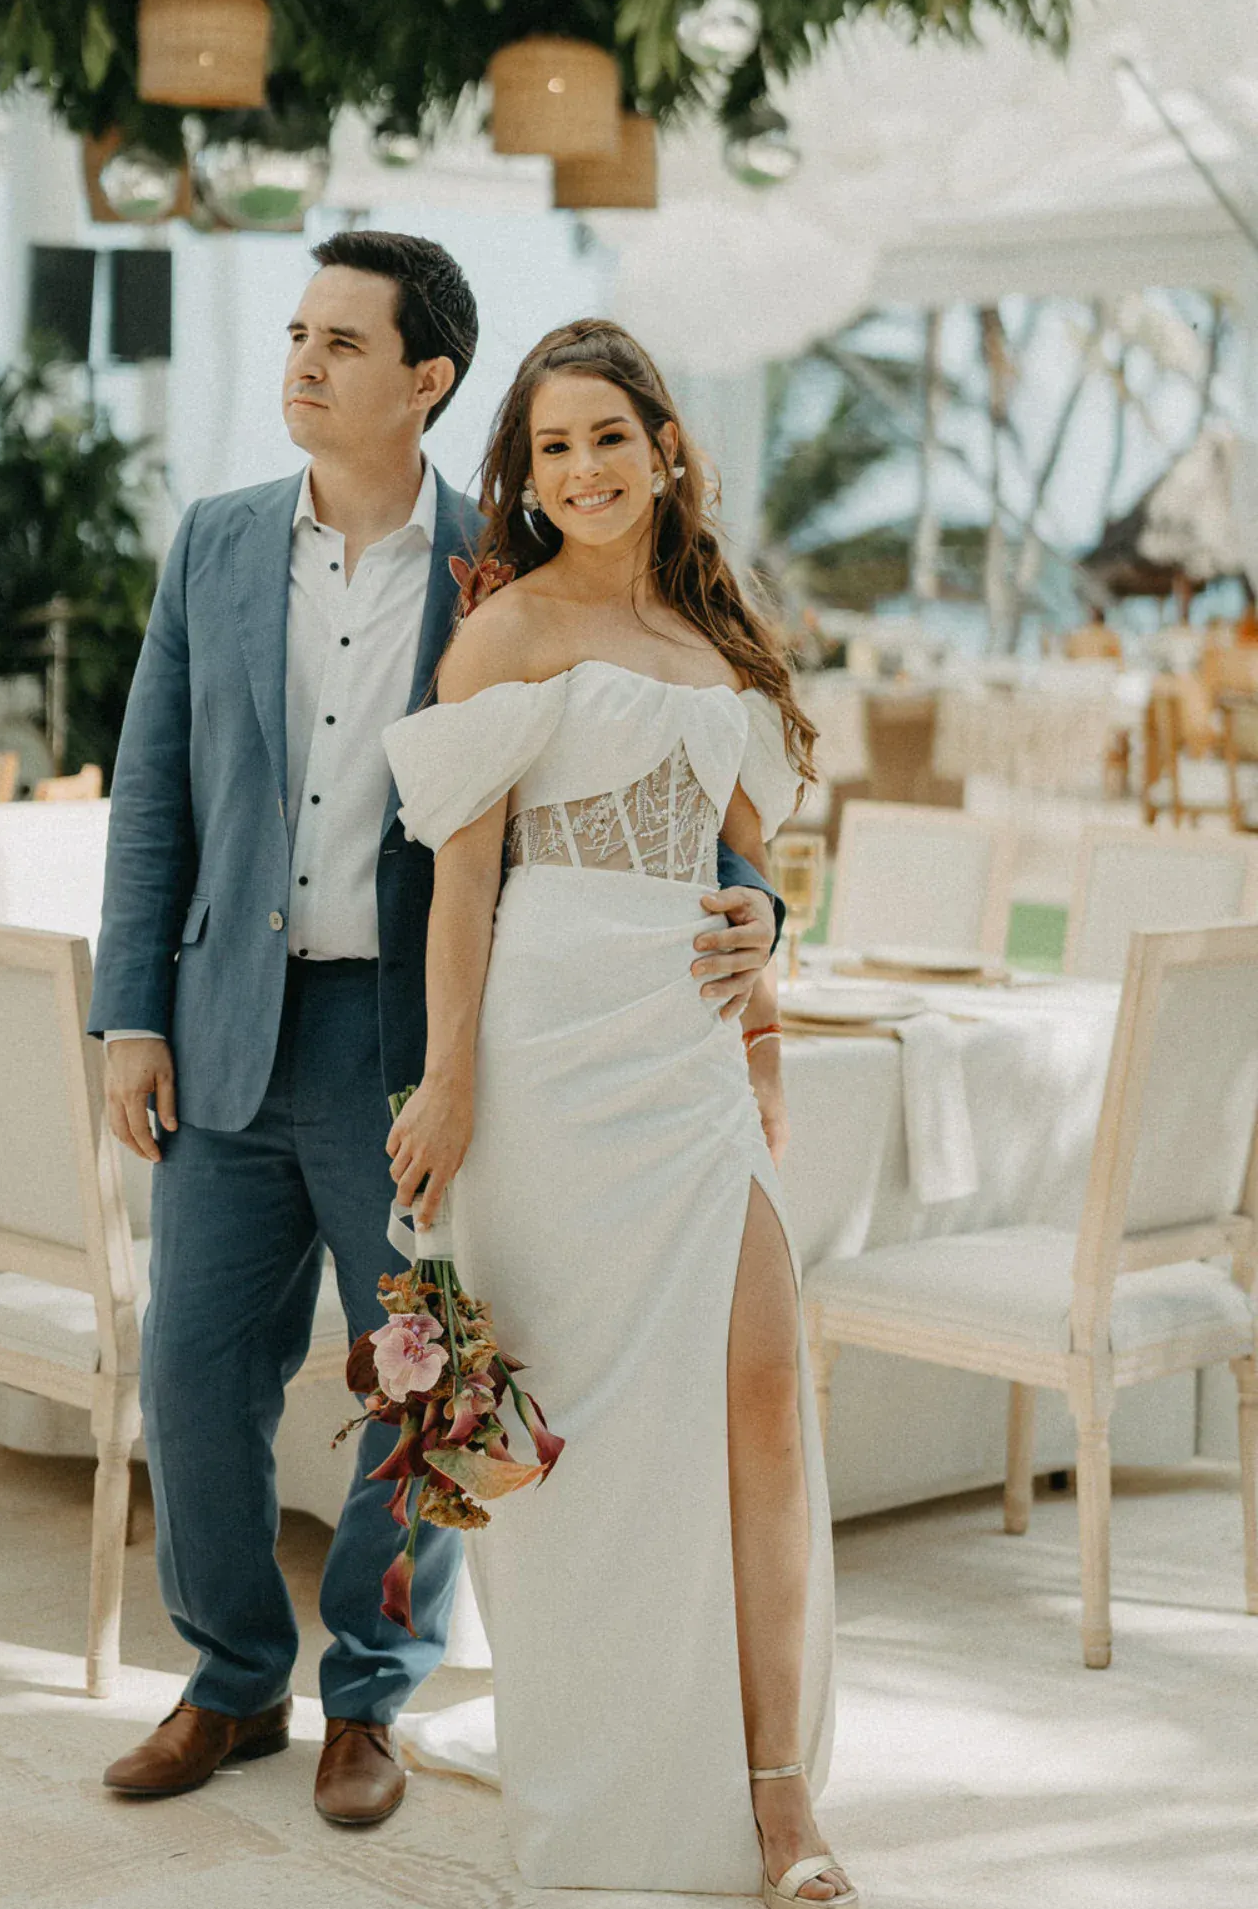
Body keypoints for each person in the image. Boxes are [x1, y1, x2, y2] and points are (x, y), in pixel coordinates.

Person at [87, 235, 782, 1825]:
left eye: (343, 340)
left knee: (428, 1379)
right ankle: (229, 1681)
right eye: (296, 334)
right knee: (193, 1374)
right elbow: (155, 798)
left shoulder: (501, 569)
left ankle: (371, 1700)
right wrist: (131, 1012)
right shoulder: (212, 545)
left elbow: (666, 757)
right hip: (220, 1035)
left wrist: (766, 913)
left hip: (410, 1048)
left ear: (428, 380)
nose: (304, 362)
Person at [382, 319, 856, 1909]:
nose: (579, 470)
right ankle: (599, 1758)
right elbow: (458, 891)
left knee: (764, 1399)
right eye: (551, 447)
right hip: (543, 1064)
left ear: (665, 448)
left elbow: (756, 864)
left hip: (691, 1060)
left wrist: (767, 934)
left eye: (607, 437)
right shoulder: (501, 638)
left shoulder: (717, 645)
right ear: (526, 472)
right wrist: (448, 1082)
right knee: (575, 1443)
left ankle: (778, 1786)